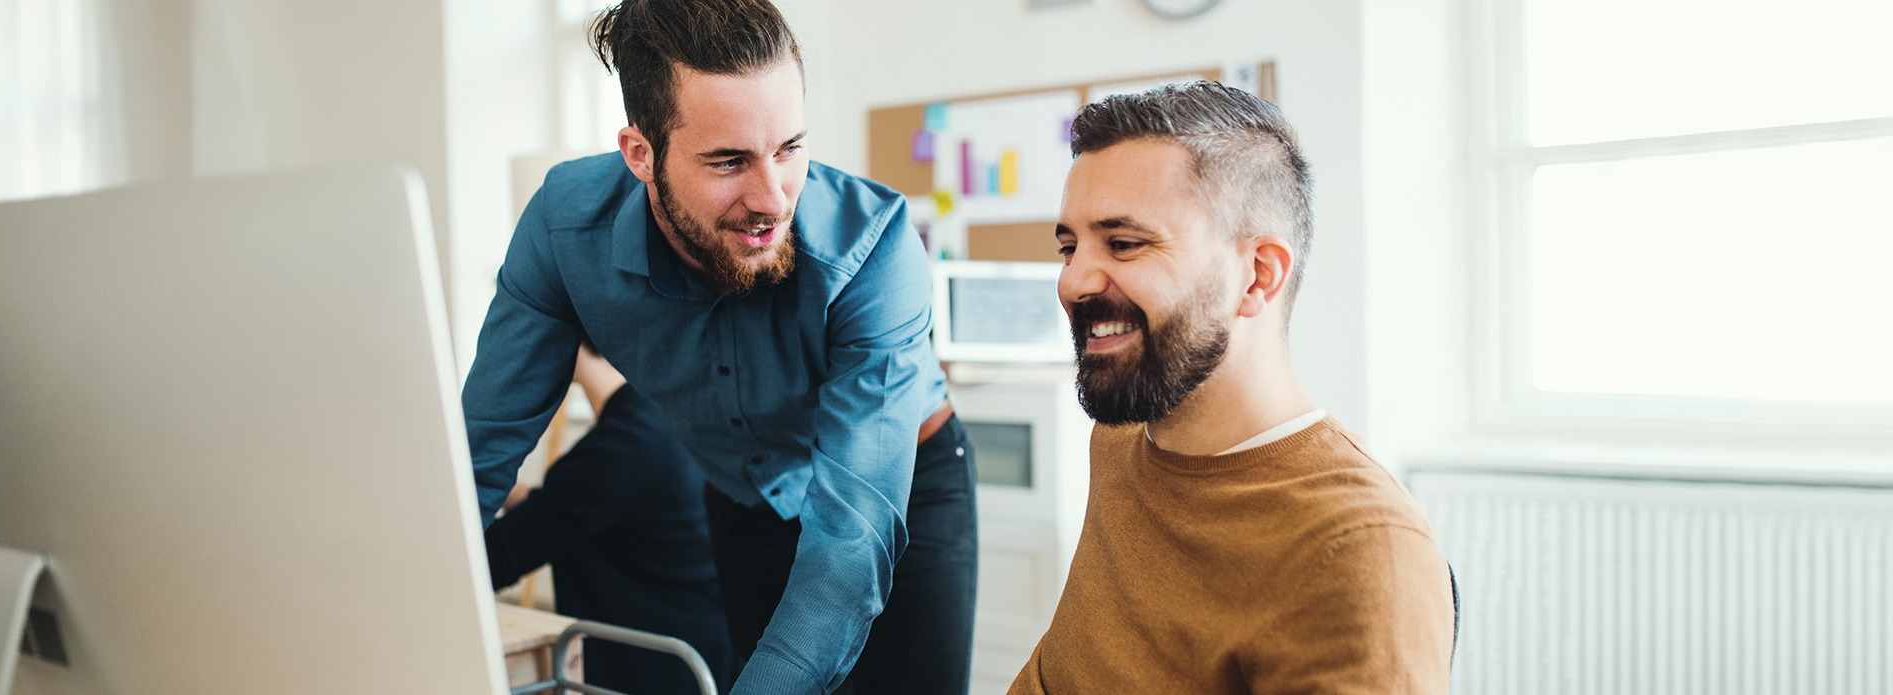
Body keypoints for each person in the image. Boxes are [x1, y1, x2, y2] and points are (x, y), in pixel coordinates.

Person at [459, 1, 976, 692]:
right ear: (641, 154)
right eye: (729, 161)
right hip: (742, 499)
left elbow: (848, 546)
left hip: (898, 483)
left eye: (789, 148)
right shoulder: (563, 231)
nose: (771, 197)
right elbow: (478, 455)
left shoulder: (872, 246)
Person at [1009, 81, 1454, 693]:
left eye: (1124, 244)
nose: (1073, 281)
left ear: (1257, 275)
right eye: (1069, 246)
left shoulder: (1360, 553)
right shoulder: (1121, 434)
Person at [483, 343, 734, 694]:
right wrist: (509, 492)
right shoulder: (666, 421)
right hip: (705, 661)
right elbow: (580, 508)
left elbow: (492, 560)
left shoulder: (624, 447)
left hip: (656, 676)